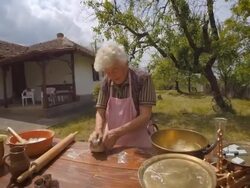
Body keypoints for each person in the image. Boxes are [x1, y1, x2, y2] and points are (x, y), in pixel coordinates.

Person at [88, 42, 156, 151]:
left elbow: (145, 116)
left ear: (125, 63)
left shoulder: (142, 79)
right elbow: (100, 111)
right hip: (113, 143)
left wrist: (117, 133)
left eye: (115, 69)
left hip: (140, 143)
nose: (111, 75)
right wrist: (98, 130)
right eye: (107, 71)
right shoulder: (106, 82)